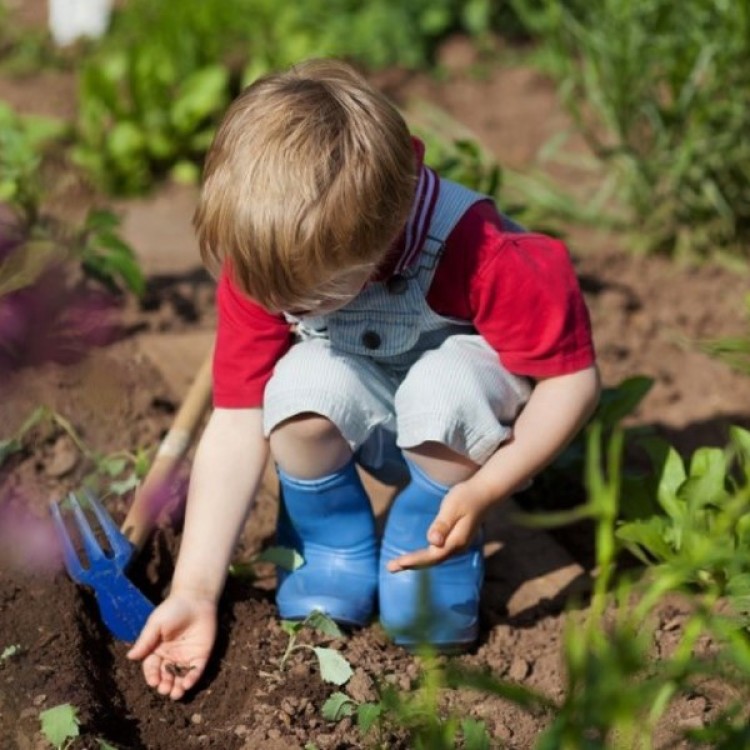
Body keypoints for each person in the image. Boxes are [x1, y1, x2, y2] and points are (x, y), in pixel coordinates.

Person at [127, 58, 600, 700]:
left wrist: (487, 489)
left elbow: (572, 381)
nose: (292, 311)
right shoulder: (272, 258)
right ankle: (332, 550)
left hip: (464, 429)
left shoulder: (480, 252)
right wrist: (193, 590)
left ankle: (431, 539)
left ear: (385, 234)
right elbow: (237, 420)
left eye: (313, 298)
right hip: (372, 400)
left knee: (445, 388)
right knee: (293, 391)